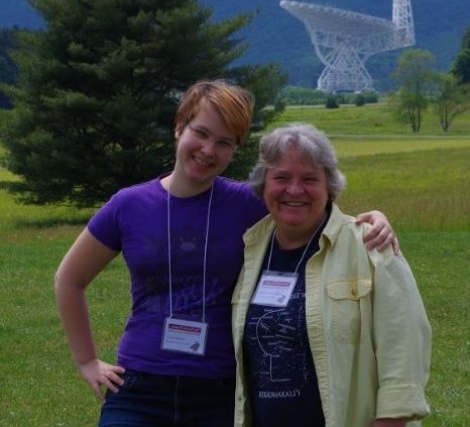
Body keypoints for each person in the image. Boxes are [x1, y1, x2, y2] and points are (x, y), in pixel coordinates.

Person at [54, 81, 398, 426]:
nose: (208, 150)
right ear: (179, 127)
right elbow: (69, 279)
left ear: (234, 149)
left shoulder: (248, 203)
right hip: (140, 387)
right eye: (200, 133)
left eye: (224, 142)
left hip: (219, 392)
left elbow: (309, 209)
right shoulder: (128, 205)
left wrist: (371, 221)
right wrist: (86, 360)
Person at [232, 123, 432, 427]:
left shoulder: (371, 246)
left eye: (310, 178)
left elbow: (404, 353)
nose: (295, 190)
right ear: (264, 185)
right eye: (282, 177)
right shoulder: (251, 250)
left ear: (330, 187)